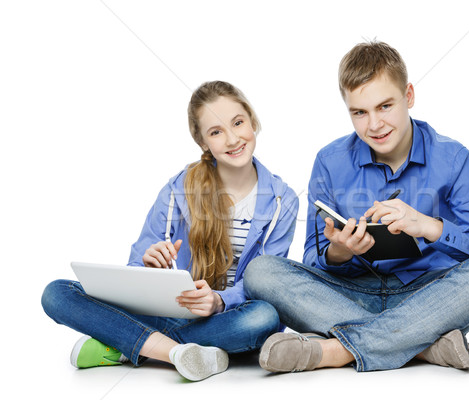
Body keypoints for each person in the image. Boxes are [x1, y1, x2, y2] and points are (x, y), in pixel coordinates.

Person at [244, 41, 469, 373]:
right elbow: (312, 260)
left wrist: (429, 226)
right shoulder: (329, 162)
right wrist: (341, 252)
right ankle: (422, 345)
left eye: (385, 106)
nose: (374, 125)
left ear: (409, 96)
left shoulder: (453, 159)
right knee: (260, 272)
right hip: (350, 295)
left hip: (429, 296)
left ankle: (336, 351)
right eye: (360, 112)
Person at [41, 81, 299, 381]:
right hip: (172, 311)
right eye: (216, 132)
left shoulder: (283, 200)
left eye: (238, 123)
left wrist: (218, 301)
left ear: (252, 122)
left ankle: (130, 343)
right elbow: (134, 269)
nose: (232, 139)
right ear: (203, 142)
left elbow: (265, 282)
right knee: (56, 293)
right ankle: (179, 353)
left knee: (264, 318)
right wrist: (148, 265)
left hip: (227, 318)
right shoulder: (180, 189)